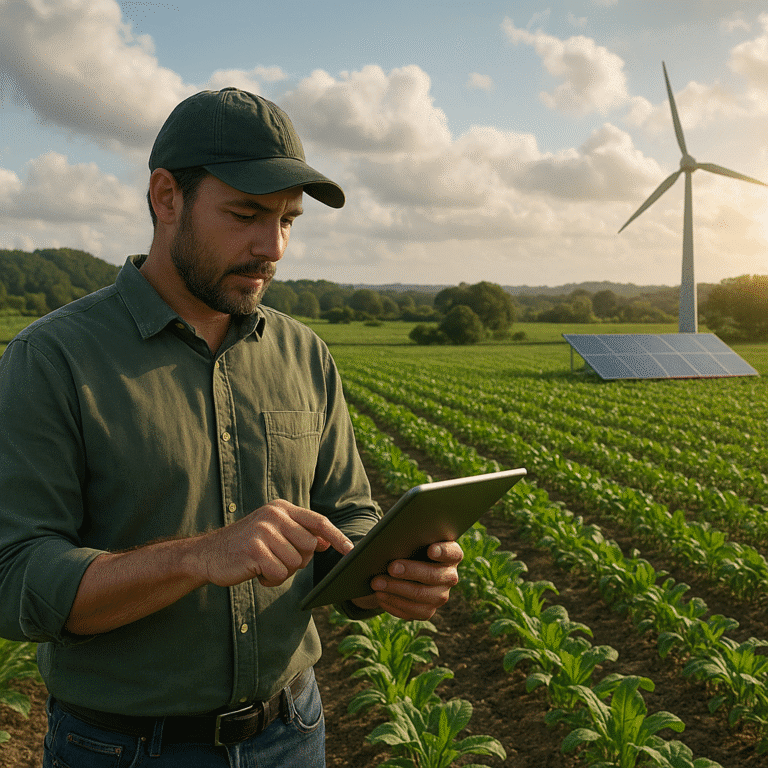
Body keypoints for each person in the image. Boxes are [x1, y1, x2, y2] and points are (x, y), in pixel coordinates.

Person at [0, 88, 463, 767]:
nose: (271, 246)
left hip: (292, 731)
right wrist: (196, 557)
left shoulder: (304, 353)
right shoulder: (53, 358)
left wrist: (385, 572)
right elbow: (15, 577)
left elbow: (347, 514)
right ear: (166, 197)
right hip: (124, 748)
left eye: (287, 220)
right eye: (246, 214)